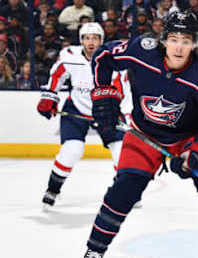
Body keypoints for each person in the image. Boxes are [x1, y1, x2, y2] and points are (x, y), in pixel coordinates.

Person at [73, 11, 198, 258]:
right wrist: (103, 93)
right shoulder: (141, 51)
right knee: (123, 190)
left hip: (191, 137)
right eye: (174, 39)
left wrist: (197, 151)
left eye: (186, 41)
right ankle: (93, 252)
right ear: (163, 39)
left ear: (195, 44)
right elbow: (103, 57)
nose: (179, 47)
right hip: (146, 135)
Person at [36, 22, 131, 208]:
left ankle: (125, 192)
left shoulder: (113, 60)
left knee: (121, 151)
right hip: (76, 109)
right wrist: (50, 97)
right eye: (87, 38)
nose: (91, 42)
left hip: (107, 111)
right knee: (72, 150)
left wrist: (121, 112)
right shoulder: (69, 56)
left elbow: (123, 91)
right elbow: (57, 76)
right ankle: (53, 190)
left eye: (95, 38)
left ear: (102, 41)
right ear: (81, 40)